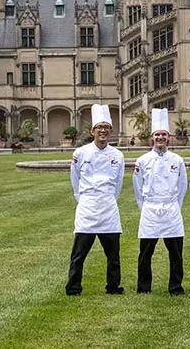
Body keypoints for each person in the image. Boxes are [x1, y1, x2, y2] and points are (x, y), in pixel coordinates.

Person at [66, 104, 126, 296]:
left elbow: (118, 183)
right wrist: (84, 199)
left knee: (113, 255)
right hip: (88, 206)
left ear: (111, 131)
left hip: (108, 206)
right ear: (92, 131)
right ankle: (73, 287)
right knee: (78, 254)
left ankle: (113, 286)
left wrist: (107, 198)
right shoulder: (80, 153)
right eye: (99, 127)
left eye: (106, 127)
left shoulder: (118, 155)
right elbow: (75, 180)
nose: (103, 131)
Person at [133, 108, 188, 295]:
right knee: (145, 253)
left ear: (169, 137)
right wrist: (146, 207)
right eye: (157, 135)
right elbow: (137, 187)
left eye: (164, 135)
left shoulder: (177, 160)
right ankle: (143, 287)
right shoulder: (142, 160)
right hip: (150, 208)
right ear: (152, 137)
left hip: (171, 208)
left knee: (176, 254)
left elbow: (182, 186)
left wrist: (175, 205)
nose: (161, 138)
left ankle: (175, 287)